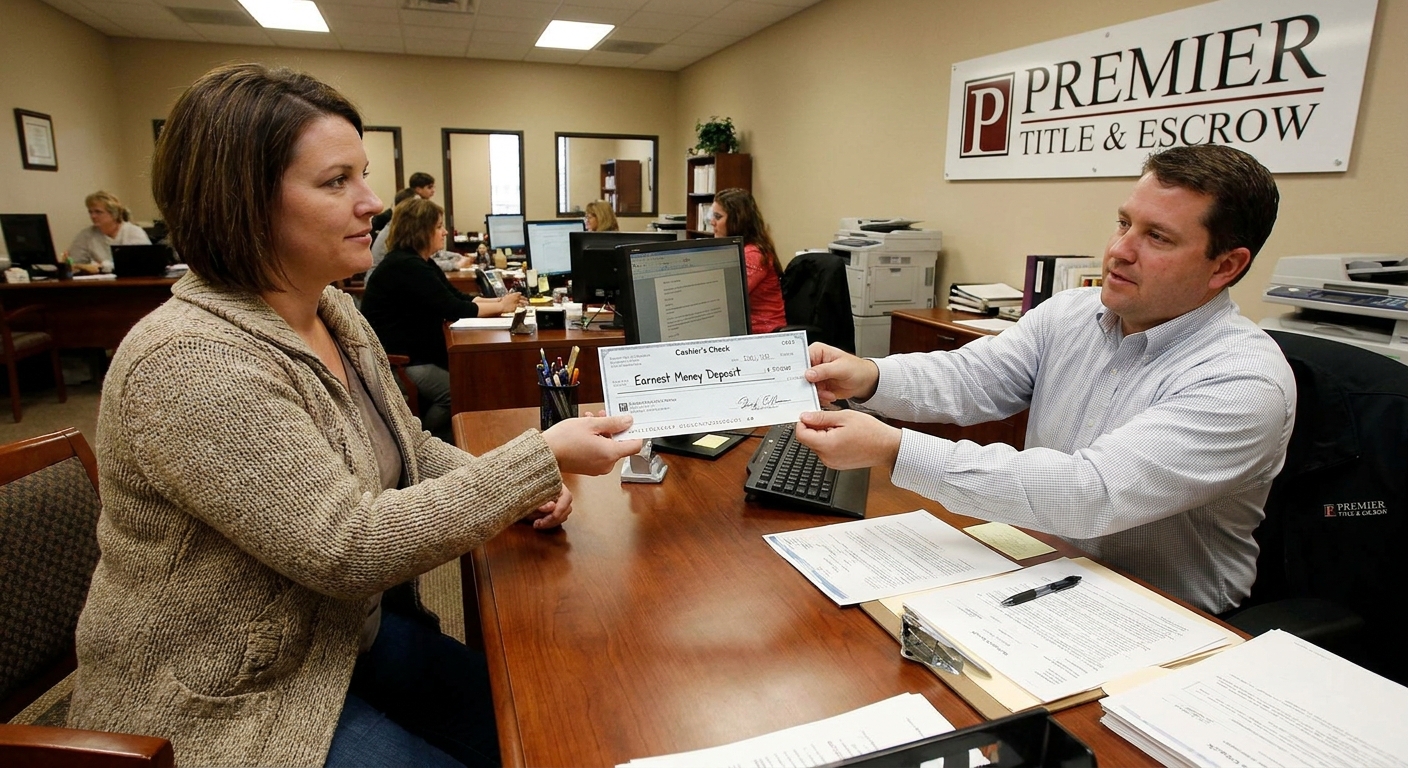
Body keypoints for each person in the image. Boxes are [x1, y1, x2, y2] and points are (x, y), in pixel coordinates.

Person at [68, 63, 642, 768]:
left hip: (336, 636)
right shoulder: (190, 362)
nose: (372, 201)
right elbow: (347, 547)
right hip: (232, 692)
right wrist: (535, 461)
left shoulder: (331, 308)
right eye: (335, 181)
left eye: (361, 174)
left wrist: (519, 490)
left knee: (561, 721)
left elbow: (413, 450)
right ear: (240, 202)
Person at [795, 144, 1296, 617]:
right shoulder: (1072, 314)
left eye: (1157, 237)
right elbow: (974, 377)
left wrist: (895, 450)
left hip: (1155, 611)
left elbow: (1091, 494)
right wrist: (869, 376)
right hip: (1039, 566)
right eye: (1123, 223)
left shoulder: (1243, 381)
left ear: (1225, 267)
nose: (1119, 250)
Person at [360, 197, 522, 439]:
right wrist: (501, 304)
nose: (445, 232)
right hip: (402, 360)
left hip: (418, 351)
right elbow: (453, 308)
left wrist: (502, 303)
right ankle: (425, 438)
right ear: (421, 229)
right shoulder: (406, 266)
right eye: (438, 226)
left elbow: (458, 297)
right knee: (457, 392)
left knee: (470, 378)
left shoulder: (419, 261)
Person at [710, 188, 787, 334]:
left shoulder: (753, 254)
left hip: (763, 333)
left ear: (737, 220)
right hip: (740, 329)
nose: (712, 222)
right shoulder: (735, 250)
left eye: (718, 217)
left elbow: (724, 297)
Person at [64, 190, 151, 274]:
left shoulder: (134, 232)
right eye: (90, 212)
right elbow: (74, 264)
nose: (93, 216)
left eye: (98, 212)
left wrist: (102, 266)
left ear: (114, 213)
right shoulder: (86, 235)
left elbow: (143, 263)